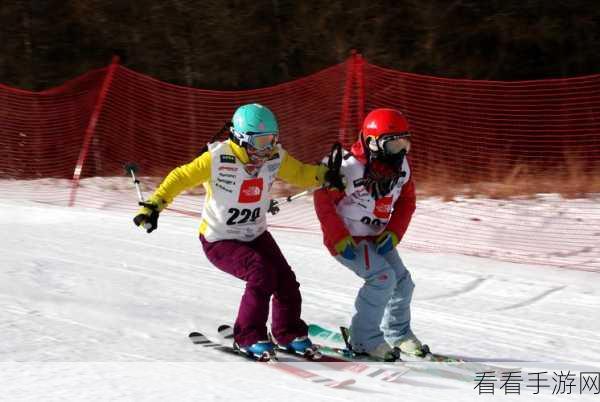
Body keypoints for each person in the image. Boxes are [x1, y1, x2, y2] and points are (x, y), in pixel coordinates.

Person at [134, 103, 340, 360]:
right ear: (240, 139)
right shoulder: (217, 158)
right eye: (260, 142)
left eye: (271, 140)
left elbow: (299, 173)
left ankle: (288, 333)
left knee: (286, 280)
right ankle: (248, 337)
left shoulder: (274, 156)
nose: (266, 149)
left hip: (255, 233)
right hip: (220, 238)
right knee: (261, 274)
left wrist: (326, 174)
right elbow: (180, 177)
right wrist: (155, 206)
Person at [313, 108, 422, 361]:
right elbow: (323, 202)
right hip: (348, 238)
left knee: (403, 282)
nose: (401, 151)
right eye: (393, 145)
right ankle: (363, 339)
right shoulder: (348, 167)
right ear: (373, 142)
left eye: (404, 143)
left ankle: (399, 334)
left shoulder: (402, 167)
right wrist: (339, 237)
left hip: (378, 237)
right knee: (382, 278)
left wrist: (394, 233)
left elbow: (407, 201)